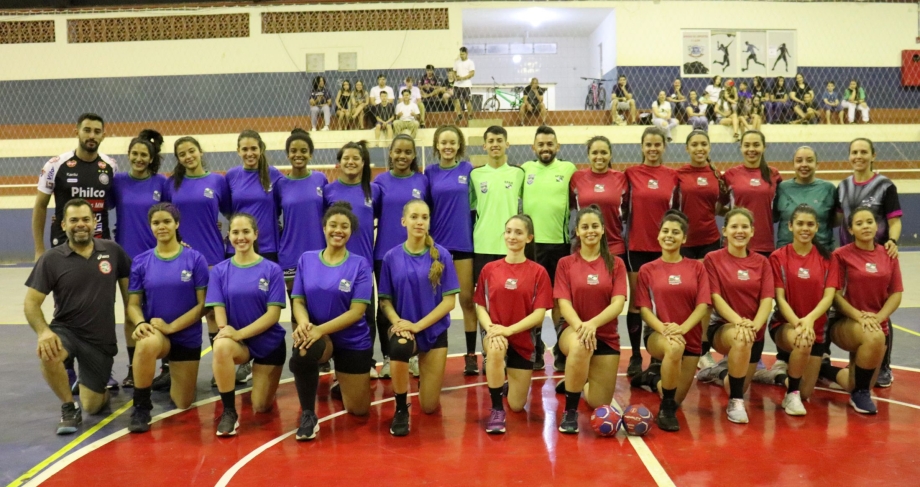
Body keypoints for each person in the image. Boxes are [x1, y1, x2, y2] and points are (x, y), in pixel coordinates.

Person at [24, 199, 131, 434]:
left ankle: (90, 386)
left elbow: (130, 297)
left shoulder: (113, 251)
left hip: (100, 341)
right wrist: (43, 332)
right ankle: (68, 406)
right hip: (67, 331)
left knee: (92, 407)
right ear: (63, 225)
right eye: (74, 220)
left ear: (95, 222)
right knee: (48, 352)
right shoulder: (51, 259)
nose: (80, 224)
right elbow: (31, 302)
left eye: (85, 219)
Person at [33, 113, 120, 391]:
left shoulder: (110, 166)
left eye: (97, 131)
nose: (91, 135)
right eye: (87, 130)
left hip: (99, 247)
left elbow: (115, 203)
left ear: (104, 135)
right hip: (63, 248)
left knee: (102, 305)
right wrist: (39, 249)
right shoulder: (56, 165)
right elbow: (40, 207)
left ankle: (99, 367)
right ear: (77, 132)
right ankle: (68, 367)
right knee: (65, 305)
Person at [289, 202, 374, 440]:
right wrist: (305, 324)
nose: (338, 230)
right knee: (303, 353)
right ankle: (308, 415)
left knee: (358, 411)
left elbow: (357, 312)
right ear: (324, 227)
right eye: (333, 225)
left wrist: (319, 329)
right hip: (320, 337)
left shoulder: (360, 264)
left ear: (350, 232)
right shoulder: (307, 259)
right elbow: (298, 301)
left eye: (344, 227)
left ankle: (342, 383)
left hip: (352, 339)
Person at [379, 199, 459, 436]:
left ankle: (426, 376)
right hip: (405, 330)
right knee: (399, 348)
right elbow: (385, 301)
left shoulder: (442, 255)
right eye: (414, 217)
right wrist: (398, 324)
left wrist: (418, 326)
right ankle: (401, 408)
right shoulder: (391, 257)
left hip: (432, 331)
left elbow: (449, 302)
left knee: (429, 407)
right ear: (404, 221)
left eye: (424, 217)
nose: (419, 221)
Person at [125, 203, 208, 433]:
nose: (161, 227)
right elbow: (132, 305)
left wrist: (172, 327)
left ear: (177, 224)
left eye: (167, 222)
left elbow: (203, 305)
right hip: (158, 333)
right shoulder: (141, 261)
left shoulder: (195, 259)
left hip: (186, 336)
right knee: (145, 342)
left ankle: (172, 372)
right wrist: (140, 322)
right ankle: (141, 405)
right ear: (150, 226)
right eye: (156, 223)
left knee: (183, 403)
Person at [207, 213, 287, 436]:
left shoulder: (272, 270)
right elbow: (218, 309)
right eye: (235, 232)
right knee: (220, 346)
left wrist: (237, 333)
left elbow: (273, 315)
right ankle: (229, 412)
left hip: (268, 343)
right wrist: (225, 331)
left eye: (245, 232)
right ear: (228, 235)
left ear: (255, 235)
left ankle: (262, 376)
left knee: (261, 407)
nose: (240, 237)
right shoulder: (221, 271)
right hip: (238, 343)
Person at [632, 210, 711, 431]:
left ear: (684, 238)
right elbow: (645, 310)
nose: (669, 235)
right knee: (674, 348)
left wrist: (683, 329)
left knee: (678, 397)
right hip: (659, 334)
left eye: (676, 232)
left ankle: (652, 379)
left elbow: (702, 305)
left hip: (690, 337)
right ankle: (665, 409)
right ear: (658, 236)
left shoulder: (697, 268)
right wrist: (666, 330)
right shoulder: (648, 269)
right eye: (665, 231)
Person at [819, 207, 902, 414]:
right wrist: (858, 316)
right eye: (859, 223)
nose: (865, 226)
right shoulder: (841, 256)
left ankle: (823, 369)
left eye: (869, 222)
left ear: (877, 226)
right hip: (846, 323)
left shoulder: (888, 254)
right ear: (850, 229)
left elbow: (896, 293)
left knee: (854, 381)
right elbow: (835, 296)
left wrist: (878, 317)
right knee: (873, 343)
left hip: (876, 323)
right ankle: (861, 395)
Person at [553, 206, 628, 433]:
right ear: (577, 231)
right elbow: (563, 304)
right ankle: (571, 411)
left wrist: (593, 325)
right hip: (573, 331)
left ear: (603, 230)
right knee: (580, 345)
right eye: (584, 227)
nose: (590, 231)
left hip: (605, 335)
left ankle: (577, 378)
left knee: (598, 402)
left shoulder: (616, 264)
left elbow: (618, 304)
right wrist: (581, 328)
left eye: (595, 226)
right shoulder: (565, 263)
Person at [697, 208, 774, 424]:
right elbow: (715, 297)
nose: (739, 231)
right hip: (724, 328)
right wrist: (739, 322)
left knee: (735, 379)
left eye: (744, 227)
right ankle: (736, 401)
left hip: (754, 333)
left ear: (752, 231)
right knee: (740, 341)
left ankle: (717, 373)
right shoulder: (712, 259)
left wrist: (754, 327)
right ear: (724, 231)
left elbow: (767, 301)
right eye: (734, 226)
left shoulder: (762, 262)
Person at [476, 215, 553, 434]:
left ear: (529, 238)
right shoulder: (489, 269)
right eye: (508, 231)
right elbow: (480, 306)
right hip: (495, 335)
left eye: (518, 232)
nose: (512, 236)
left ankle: (506, 385)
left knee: (518, 406)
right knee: (497, 349)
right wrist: (491, 329)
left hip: (522, 339)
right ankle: (497, 409)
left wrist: (509, 330)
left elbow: (538, 315)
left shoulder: (538, 272)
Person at [836, 138, 901, 387]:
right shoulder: (842, 187)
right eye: (854, 152)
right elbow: (837, 219)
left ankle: (883, 365)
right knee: (847, 306)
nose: (859, 156)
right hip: (849, 259)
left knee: (879, 308)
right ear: (849, 156)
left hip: (877, 258)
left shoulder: (885, 185)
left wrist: (892, 242)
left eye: (864, 152)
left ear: (873, 155)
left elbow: (894, 220)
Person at [167, 137, 231, 384]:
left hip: (213, 255)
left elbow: (229, 212)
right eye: (182, 153)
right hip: (180, 256)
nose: (187, 156)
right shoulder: (171, 184)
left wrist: (226, 233)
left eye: (191, 151)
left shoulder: (217, 180)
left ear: (200, 152)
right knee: (180, 309)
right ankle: (172, 368)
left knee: (213, 313)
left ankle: (220, 367)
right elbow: (165, 216)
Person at [111, 129, 169, 389]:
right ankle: (134, 369)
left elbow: (172, 217)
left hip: (156, 258)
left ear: (151, 157)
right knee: (131, 314)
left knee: (160, 311)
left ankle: (167, 366)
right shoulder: (118, 181)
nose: (138, 158)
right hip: (126, 258)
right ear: (128, 155)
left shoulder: (161, 183)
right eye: (134, 154)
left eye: (143, 154)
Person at [767, 204, 838, 416]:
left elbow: (829, 297)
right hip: (785, 324)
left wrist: (809, 320)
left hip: (815, 328)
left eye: (810, 224)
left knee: (808, 391)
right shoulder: (778, 257)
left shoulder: (828, 259)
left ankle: (778, 376)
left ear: (817, 227)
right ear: (790, 226)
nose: (804, 228)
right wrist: (799, 323)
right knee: (802, 340)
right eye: (799, 223)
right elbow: (779, 298)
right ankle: (791, 395)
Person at [226, 130, 284, 384]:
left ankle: (263, 354)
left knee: (263, 305)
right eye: (244, 149)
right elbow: (227, 209)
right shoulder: (231, 177)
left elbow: (282, 206)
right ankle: (241, 358)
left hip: (268, 247)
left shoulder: (275, 176)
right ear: (238, 151)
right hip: (238, 249)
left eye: (254, 148)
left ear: (261, 149)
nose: (249, 153)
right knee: (238, 304)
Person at [624, 127, 680, 377]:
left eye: (658, 144)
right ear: (642, 146)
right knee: (637, 304)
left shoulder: (672, 176)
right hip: (637, 246)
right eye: (649, 144)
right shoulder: (631, 174)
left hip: (665, 251)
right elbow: (623, 207)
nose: (653, 149)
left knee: (662, 306)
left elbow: (677, 212)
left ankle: (658, 357)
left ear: (664, 147)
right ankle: (636, 355)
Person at [373, 135, 430, 380]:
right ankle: (388, 356)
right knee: (385, 305)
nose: (402, 156)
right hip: (385, 254)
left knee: (413, 301)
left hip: (417, 253)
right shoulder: (380, 181)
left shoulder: (422, 181)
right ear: (391, 153)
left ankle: (413, 355)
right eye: (398, 151)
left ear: (414, 156)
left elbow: (428, 216)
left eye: (408, 152)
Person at [521, 126, 575, 370]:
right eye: (541, 144)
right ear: (533, 147)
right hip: (532, 246)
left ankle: (561, 350)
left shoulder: (569, 169)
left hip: (560, 244)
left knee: (559, 300)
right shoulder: (525, 170)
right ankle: (536, 349)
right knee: (534, 302)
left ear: (558, 146)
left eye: (550, 144)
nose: (545, 148)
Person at [324, 141, 380, 378]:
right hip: (336, 264)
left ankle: (366, 361)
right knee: (337, 314)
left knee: (367, 314)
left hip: (364, 264)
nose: (351, 162)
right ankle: (339, 363)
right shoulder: (329, 191)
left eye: (356, 158)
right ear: (339, 161)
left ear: (363, 162)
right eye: (346, 157)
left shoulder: (373, 190)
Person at [426, 126, 478, 375]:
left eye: (452, 143)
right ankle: (432, 351)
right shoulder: (429, 172)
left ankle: (470, 355)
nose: (447, 147)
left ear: (459, 146)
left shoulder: (468, 170)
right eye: (443, 142)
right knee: (436, 301)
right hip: (437, 248)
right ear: (437, 145)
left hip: (464, 245)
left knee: (467, 300)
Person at [678, 130, 727, 369]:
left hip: (710, 241)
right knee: (684, 297)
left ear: (709, 147)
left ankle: (702, 349)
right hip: (684, 243)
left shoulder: (717, 175)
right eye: (694, 144)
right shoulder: (678, 175)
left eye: (703, 144)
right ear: (687, 148)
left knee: (706, 300)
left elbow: (722, 206)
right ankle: (682, 343)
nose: (699, 148)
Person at [469, 126, 524, 286]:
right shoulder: (475, 175)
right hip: (483, 243)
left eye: (499, 140)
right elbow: (472, 205)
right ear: (484, 146)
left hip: (510, 243)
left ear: (507, 144)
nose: (495, 144)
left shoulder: (518, 173)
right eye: (491, 141)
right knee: (485, 296)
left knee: (510, 292)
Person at [275, 129, 327, 294]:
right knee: (296, 304)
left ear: (310, 155)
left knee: (319, 301)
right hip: (291, 253)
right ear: (287, 155)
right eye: (293, 151)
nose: (299, 154)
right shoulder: (281, 184)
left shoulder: (321, 179)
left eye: (304, 151)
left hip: (319, 251)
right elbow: (273, 215)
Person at [722, 131, 782, 257]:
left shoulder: (774, 174)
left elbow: (779, 208)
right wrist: (736, 213)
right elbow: (716, 207)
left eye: (756, 145)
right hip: (735, 242)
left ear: (764, 147)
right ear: (741, 147)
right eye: (747, 145)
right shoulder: (730, 175)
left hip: (764, 243)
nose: (751, 149)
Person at [570, 136, 628, 262]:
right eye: (595, 153)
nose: (599, 157)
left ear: (610, 155)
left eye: (604, 152)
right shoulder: (577, 178)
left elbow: (626, 209)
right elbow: (571, 206)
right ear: (588, 155)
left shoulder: (621, 178)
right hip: (583, 248)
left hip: (614, 248)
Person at [453, 47, 476, 123]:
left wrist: (463, 78)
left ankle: (470, 115)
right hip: (457, 84)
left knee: (467, 100)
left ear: (466, 54)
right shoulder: (457, 62)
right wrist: (455, 77)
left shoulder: (470, 62)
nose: (461, 55)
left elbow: (472, 73)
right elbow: (454, 72)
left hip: (466, 84)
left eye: (463, 54)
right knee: (455, 99)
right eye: (460, 54)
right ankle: (459, 114)